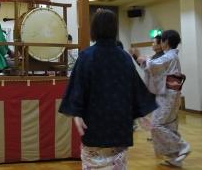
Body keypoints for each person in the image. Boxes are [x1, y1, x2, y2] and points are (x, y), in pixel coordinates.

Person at [59, 9, 157, 169]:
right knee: (117, 164)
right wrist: (141, 114)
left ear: (94, 29)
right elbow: (134, 88)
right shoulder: (124, 57)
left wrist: (76, 112)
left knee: (93, 163)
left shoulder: (86, 56)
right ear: (114, 29)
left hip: (93, 122)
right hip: (118, 124)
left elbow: (78, 87)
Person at [137, 30, 190, 167]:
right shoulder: (170, 56)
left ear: (166, 42)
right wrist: (145, 62)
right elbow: (152, 68)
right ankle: (175, 158)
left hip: (168, 95)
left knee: (156, 125)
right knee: (168, 125)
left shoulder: (170, 56)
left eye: (161, 41)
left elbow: (153, 65)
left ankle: (181, 146)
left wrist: (145, 60)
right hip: (169, 94)